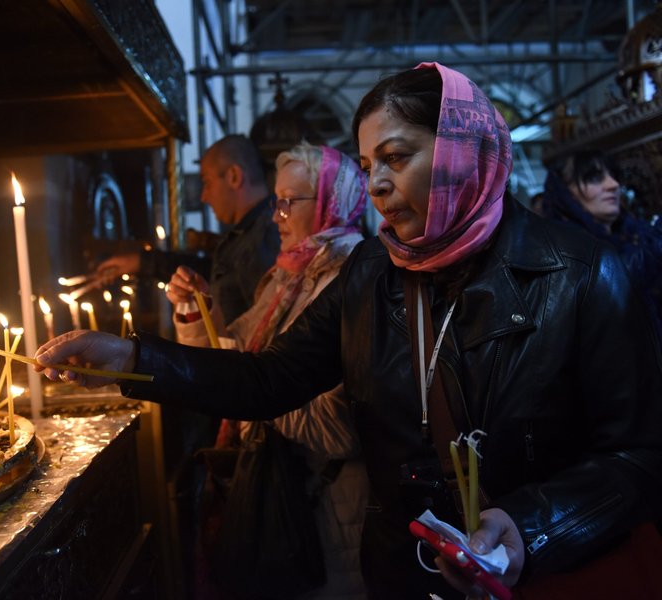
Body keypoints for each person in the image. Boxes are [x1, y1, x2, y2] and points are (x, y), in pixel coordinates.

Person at [35, 64, 662, 598]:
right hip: (399, 573)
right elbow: (270, 378)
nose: (378, 184)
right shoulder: (372, 270)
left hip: (535, 576)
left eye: (396, 157)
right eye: (367, 164)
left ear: (461, 150)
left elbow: (636, 456)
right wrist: (132, 359)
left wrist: (530, 528)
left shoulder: (581, 272)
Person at [167, 141, 369, 598]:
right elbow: (232, 354)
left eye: (288, 203)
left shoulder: (351, 279)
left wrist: (253, 387)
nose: (275, 215)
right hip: (282, 494)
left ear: (329, 203)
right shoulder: (288, 275)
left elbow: (338, 429)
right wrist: (195, 310)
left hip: (325, 514)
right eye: (275, 201)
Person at [96, 134, 281, 324]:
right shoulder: (249, 234)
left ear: (234, 176)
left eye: (207, 182)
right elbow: (215, 275)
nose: (203, 196)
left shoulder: (266, 236)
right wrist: (142, 262)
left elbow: (265, 327)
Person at [543, 149, 662, 341]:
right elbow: (610, 284)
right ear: (565, 192)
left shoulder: (635, 234)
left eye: (614, 176)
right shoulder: (558, 248)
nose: (613, 185)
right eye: (595, 178)